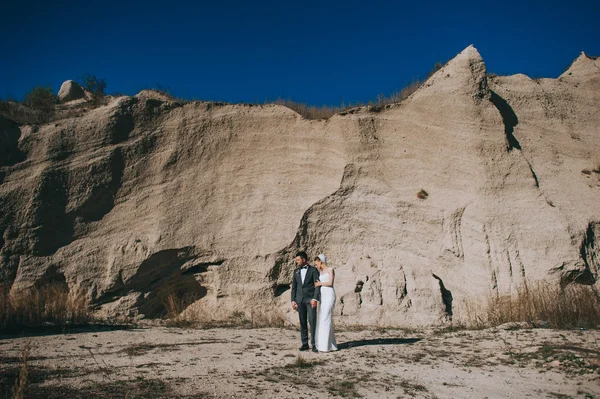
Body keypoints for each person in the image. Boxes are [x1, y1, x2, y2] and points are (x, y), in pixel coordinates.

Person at [290, 251, 320, 352]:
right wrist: (293, 300)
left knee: (312, 322)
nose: (297, 262)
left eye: (298, 260)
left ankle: (315, 345)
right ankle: (304, 344)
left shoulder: (313, 270)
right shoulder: (296, 271)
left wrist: (315, 298)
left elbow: (317, 285)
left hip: (310, 300)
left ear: (303, 259)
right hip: (300, 300)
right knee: (302, 323)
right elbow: (294, 287)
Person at [314, 254, 337, 352]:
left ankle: (325, 346)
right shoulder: (320, 272)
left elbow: (330, 283)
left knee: (326, 318)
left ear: (321, 262)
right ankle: (329, 344)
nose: (316, 266)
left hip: (329, 294)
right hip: (323, 296)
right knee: (322, 318)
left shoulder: (330, 270)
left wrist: (320, 283)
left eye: (316, 264)